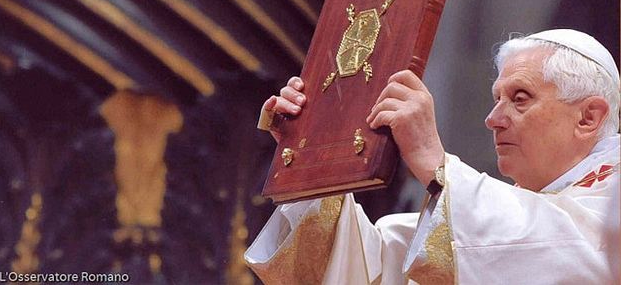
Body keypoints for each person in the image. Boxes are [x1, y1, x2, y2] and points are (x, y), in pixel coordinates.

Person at [244, 29, 620, 284]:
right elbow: (357, 269)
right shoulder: (464, 228)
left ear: (588, 117)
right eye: (496, 99)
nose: (492, 119)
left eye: (520, 99)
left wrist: (430, 158)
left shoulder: (610, 210)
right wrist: (315, 154)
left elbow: (558, 256)